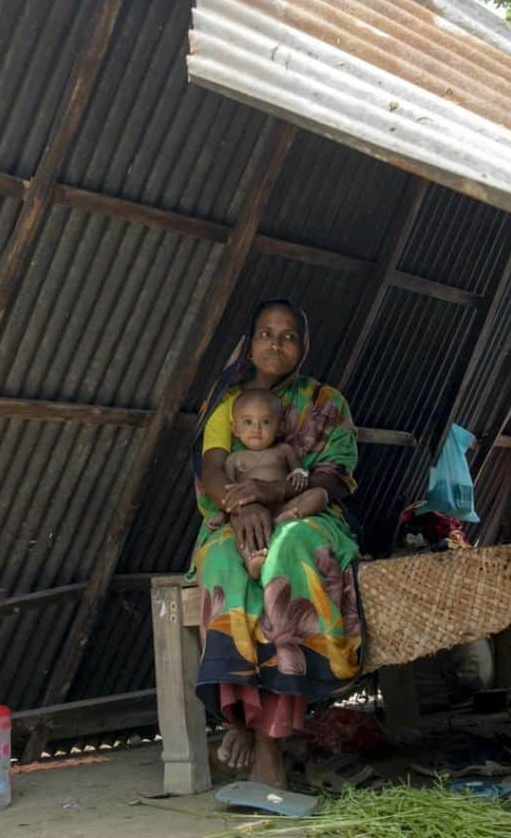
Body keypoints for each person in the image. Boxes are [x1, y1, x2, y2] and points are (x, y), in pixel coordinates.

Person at [190, 298, 363, 790]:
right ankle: (242, 718)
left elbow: (333, 477)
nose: (276, 343)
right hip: (233, 516)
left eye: (289, 335)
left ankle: (269, 739)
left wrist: (271, 495)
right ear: (250, 342)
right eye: (266, 332)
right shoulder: (227, 401)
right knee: (226, 558)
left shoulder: (326, 402)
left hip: (308, 513)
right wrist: (243, 507)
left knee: (285, 553)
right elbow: (213, 470)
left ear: (303, 346)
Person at [205, 388, 330, 579]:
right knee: (238, 523)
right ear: (235, 429)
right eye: (248, 422)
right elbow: (230, 494)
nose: (256, 429)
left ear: (279, 427)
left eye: (265, 422)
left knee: (320, 495)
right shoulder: (234, 459)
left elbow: (300, 471)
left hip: (283, 505)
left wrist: (299, 474)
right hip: (248, 512)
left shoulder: (284, 450)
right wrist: (223, 515)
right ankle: (251, 560)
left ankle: (286, 518)